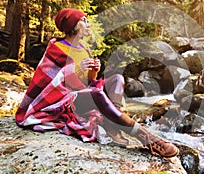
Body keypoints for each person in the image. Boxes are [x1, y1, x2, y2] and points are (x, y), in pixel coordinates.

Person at [15, 8, 179, 158]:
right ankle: (147, 138)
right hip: (63, 100)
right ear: (74, 25)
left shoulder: (84, 49)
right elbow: (51, 84)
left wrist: (93, 70)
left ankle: (113, 122)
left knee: (117, 79)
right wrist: (77, 70)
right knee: (97, 94)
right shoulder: (56, 48)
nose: (88, 24)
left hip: (82, 93)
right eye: (84, 20)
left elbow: (88, 82)